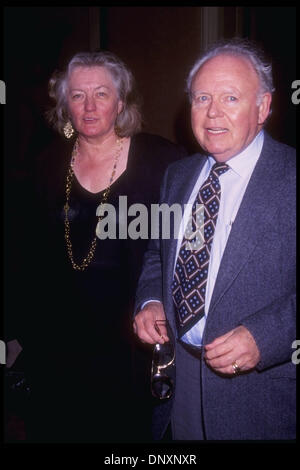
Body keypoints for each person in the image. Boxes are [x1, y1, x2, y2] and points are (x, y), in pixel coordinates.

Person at [5, 50, 186, 442]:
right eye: (77, 95)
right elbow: (26, 259)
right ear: (64, 103)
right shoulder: (45, 164)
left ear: (120, 102)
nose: (89, 106)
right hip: (59, 350)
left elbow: (185, 248)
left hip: (134, 347)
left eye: (101, 94)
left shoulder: (163, 161)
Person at [133, 38, 296, 440]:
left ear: (263, 107)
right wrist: (151, 298)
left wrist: (269, 336)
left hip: (260, 395)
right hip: (180, 378)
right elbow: (158, 253)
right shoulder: (178, 175)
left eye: (230, 98)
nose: (212, 113)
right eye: (202, 97)